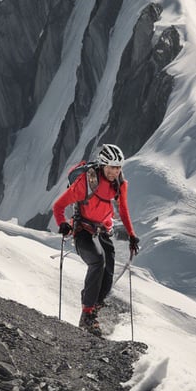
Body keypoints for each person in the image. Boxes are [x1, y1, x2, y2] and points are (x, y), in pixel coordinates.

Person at [52, 143, 140, 335]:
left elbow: (123, 210)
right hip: (83, 230)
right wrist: (62, 224)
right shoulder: (86, 182)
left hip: (103, 230)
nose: (115, 172)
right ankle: (87, 315)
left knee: (107, 276)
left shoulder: (120, 184)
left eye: (118, 168)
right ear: (103, 165)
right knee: (97, 261)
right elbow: (58, 206)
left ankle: (94, 308)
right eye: (111, 167)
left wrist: (132, 235)